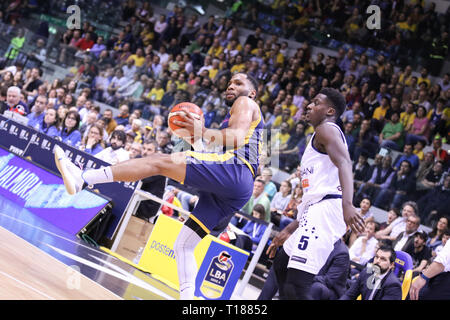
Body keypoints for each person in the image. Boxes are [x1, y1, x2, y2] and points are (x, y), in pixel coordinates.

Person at [54, 72, 264, 300]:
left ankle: (84, 178)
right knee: (184, 245)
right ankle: (189, 302)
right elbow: (213, 155)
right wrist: (196, 138)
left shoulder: (245, 103)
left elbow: (235, 138)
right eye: (230, 82)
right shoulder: (239, 118)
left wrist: (201, 131)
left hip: (235, 170)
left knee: (158, 162)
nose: (231, 86)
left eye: (238, 83)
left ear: (252, 92)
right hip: (236, 186)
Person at [271, 88, 365, 300]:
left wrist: (348, 204)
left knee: (297, 285)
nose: (309, 105)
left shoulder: (327, 129)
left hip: (327, 209)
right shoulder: (319, 134)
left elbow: (345, 163)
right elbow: (314, 195)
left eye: (316, 102)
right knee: (282, 264)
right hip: (314, 211)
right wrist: (292, 227)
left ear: (330, 110)